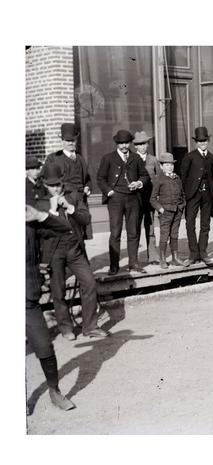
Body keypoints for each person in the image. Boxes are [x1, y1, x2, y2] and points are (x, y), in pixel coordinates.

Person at [36, 164, 109, 340]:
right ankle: (66, 327)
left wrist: (70, 208)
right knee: (58, 291)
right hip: (54, 252)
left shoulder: (73, 196)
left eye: (58, 185)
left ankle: (90, 326)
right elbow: (40, 232)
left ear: (63, 183)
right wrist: (52, 212)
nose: (56, 189)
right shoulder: (41, 204)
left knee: (89, 282)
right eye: (52, 186)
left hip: (74, 248)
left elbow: (86, 219)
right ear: (45, 185)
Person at [26, 203, 76, 412]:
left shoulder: (27, 223)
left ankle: (54, 391)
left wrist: (40, 215)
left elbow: (64, 228)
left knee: (45, 347)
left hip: (27, 300)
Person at [97, 129, 150, 275]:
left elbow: (145, 176)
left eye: (126, 143)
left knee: (133, 232)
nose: (124, 146)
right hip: (115, 199)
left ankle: (133, 263)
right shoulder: (108, 158)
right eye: (121, 143)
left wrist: (139, 183)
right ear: (117, 143)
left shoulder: (136, 158)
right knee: (115, 233)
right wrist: (109, 192)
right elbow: (100, 178)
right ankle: (114, 266)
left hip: (133, 199)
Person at [42, 122, 93, 239]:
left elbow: (88, 179)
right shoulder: (53, 158)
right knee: (66, 233)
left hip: (80, 202)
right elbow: (46, 180)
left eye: (73, 140)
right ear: (62, 141)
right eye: (67, 140)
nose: (71, 143)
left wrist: (88, 187)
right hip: (64, 201)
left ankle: (80, 256)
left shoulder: (80, 158)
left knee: (81, 235)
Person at [180, 126, 213, 265]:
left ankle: (203, 252)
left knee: (205, 224)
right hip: (192, 195)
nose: (203, 143)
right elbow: (184, 177)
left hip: (207, 195)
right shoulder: (189, 157)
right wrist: (186, 194)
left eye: (205, 140)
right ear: (196, 142)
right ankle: (193, 253)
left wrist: (211, 191)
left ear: (208, 141)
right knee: (190, 224)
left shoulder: (212, 158)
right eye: (200, 141)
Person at [150, 153, 189, 269]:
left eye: (171, 164)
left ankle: (175, 257)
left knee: (174, 234)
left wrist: (182, 206)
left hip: (177, 211)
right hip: (165, 213)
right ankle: (162, 259)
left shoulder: (177, 178)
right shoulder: (158, 180)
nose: (170, 167)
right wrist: (161, 209)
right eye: (167, 165)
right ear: (161, 167)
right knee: (164, 235)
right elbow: (152, 199)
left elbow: (182, 194)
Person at [132, 131, 160, 265]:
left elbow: (158, 178)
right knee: (135, 227)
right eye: (139, 144)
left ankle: (153, 256)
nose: (142, 147)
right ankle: (134, 259)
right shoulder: (131, 159)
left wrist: (158, 194)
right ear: (135, 146)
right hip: (135, 198)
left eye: (144, 144)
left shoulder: (153, 160)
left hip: (149, 198)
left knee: (150, 227)